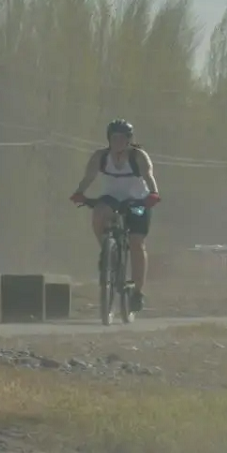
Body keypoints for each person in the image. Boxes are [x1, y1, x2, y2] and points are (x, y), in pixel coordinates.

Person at [70, 119, 161, 311]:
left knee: (136, 243)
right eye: (114, 138)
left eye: (122, 138)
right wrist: (79, 193)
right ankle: (107, 251)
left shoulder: (138, 156)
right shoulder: (100, 156)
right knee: (99, 213)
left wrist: (153, 194)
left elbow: (148, 176)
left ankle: (138, 292)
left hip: (137, 201)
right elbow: (89, 176)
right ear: (109, 139)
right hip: (112, 198)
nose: (118, 141)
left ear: (129, 140)